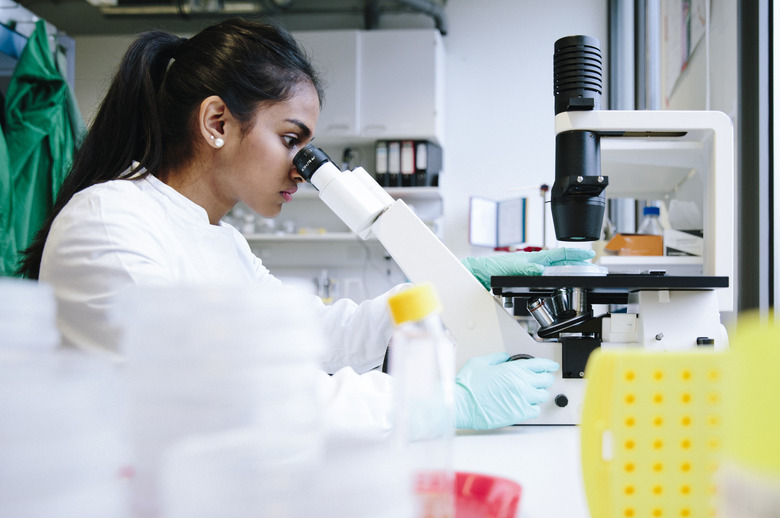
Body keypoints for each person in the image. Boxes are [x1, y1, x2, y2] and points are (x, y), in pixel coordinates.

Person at [18, 19, 594, 433]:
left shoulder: (223, 241)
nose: (302, 167)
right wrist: (442, 401)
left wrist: (447, 286)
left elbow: (318, 336)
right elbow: (227, 398)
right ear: (217, 120)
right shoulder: (110, 223)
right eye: (290, 139)